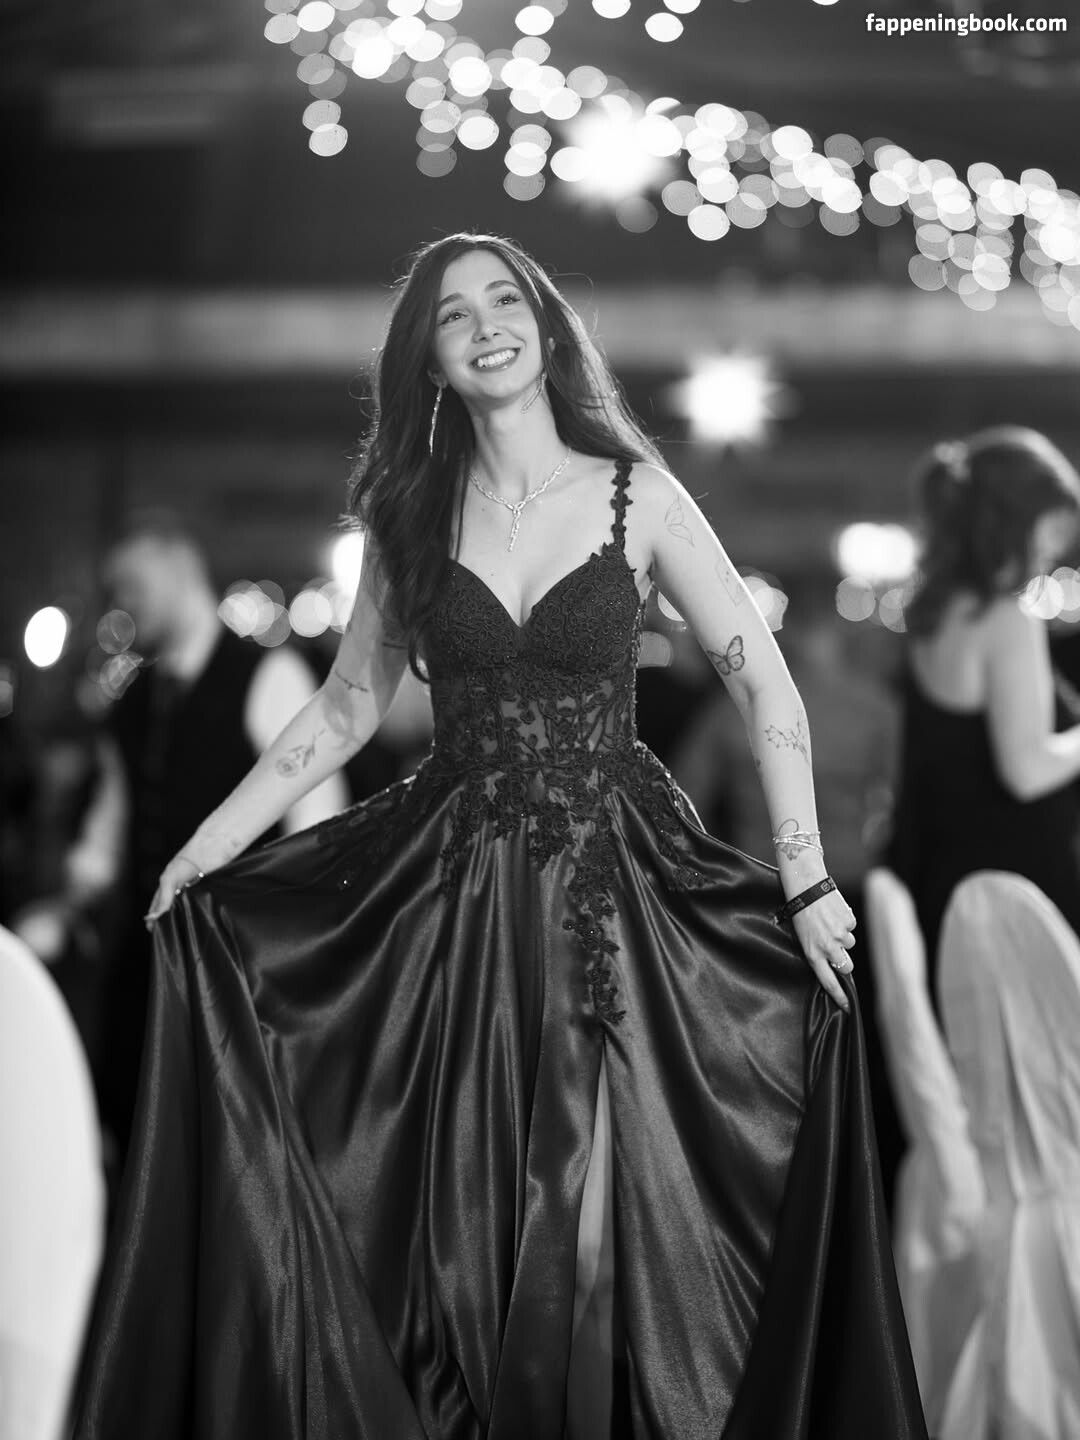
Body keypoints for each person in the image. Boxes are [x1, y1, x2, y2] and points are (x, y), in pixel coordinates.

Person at [73, 234, 926, 1439]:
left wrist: (804, 878)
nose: (487, 326)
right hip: (455, 899)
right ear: (428, 358)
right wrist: (205, 850)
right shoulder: (408, 517)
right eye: (454, 314)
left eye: (506, 300)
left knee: (603, 1243)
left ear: (546, 324)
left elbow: (764, 685)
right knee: (458, 1253)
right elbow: (346, 708)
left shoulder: (635, 492)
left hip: (621, 885)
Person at [48, 516, 349, 1171]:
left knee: (231, 1155)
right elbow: (115, 821)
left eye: (132, 584)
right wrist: (70, 896)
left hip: (238, 969)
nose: (122, 602)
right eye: (115, 589)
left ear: (181, 571)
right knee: (135, 1138)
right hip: (143, 965)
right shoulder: (132, 699)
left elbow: (317, 821)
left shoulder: (269, 675)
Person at [886, 426, 1080, 991]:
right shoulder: (1005, 617)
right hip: (1017, 892)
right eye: (1053, 530)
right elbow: (1026, 769)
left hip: (949, 878)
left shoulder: (935, 617)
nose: (1056, 549)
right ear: (1018, 520)